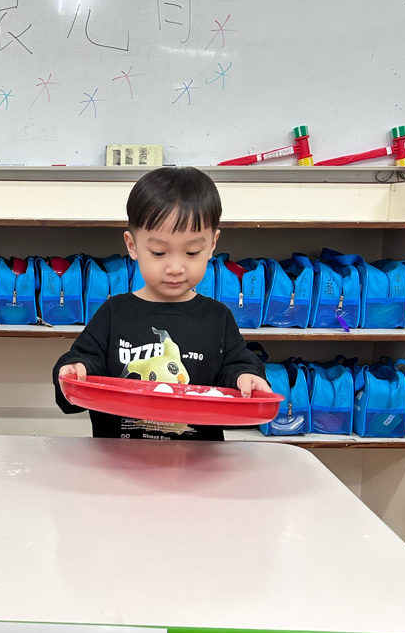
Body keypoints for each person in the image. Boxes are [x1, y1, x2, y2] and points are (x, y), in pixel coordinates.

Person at [53, 166, 271, 441]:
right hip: (119, 459)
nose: (175, 267)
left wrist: (246, 377)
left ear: (212, 244)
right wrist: (74, 369)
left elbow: (236, 367)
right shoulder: (114, 312)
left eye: (192, 252)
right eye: (158, 252)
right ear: (132, 245)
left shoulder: (218, 317)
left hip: (197, 460)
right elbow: (85, 362)